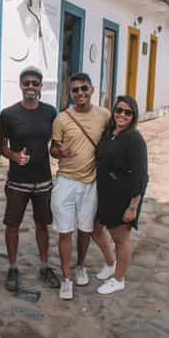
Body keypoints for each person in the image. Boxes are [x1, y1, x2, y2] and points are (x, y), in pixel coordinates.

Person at [50, 72, 116, 300]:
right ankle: (66, 278)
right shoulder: (62, 118)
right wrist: (60, 151)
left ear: (92, 89)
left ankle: (80, 266)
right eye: (75, 90)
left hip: (91, 183)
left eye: (84, 88)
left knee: (85, 230)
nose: (80, 93)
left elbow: (113, 140)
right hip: (66, 181)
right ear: (70, 93)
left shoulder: (104, 116)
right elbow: (53, 149)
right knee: (65, 231)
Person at [0, 66, 60, 292]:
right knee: (12, 225)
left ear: (41, 86)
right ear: (20, 85)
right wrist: (14, 155)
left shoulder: (50, 112)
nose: (31, 87)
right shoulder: (9, 114)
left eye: (35, 83)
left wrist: (59, 151)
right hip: (17, 181)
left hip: (43, 180)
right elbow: (2, 147)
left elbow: (55, 142)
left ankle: (44, 266)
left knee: (43, 224)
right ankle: (13, 267)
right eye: (27, 83)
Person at [96, 95, 148, 294]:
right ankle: (111, 264)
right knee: (95, 228)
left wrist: (133, 206)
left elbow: (141, 176)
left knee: (121, 238)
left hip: (124, 196)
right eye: (119, 110)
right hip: (105, 192)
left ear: (133, 116)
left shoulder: (135, 139)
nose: (122, 115)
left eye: (128, 112)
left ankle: (119, 279)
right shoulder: (110, 133)